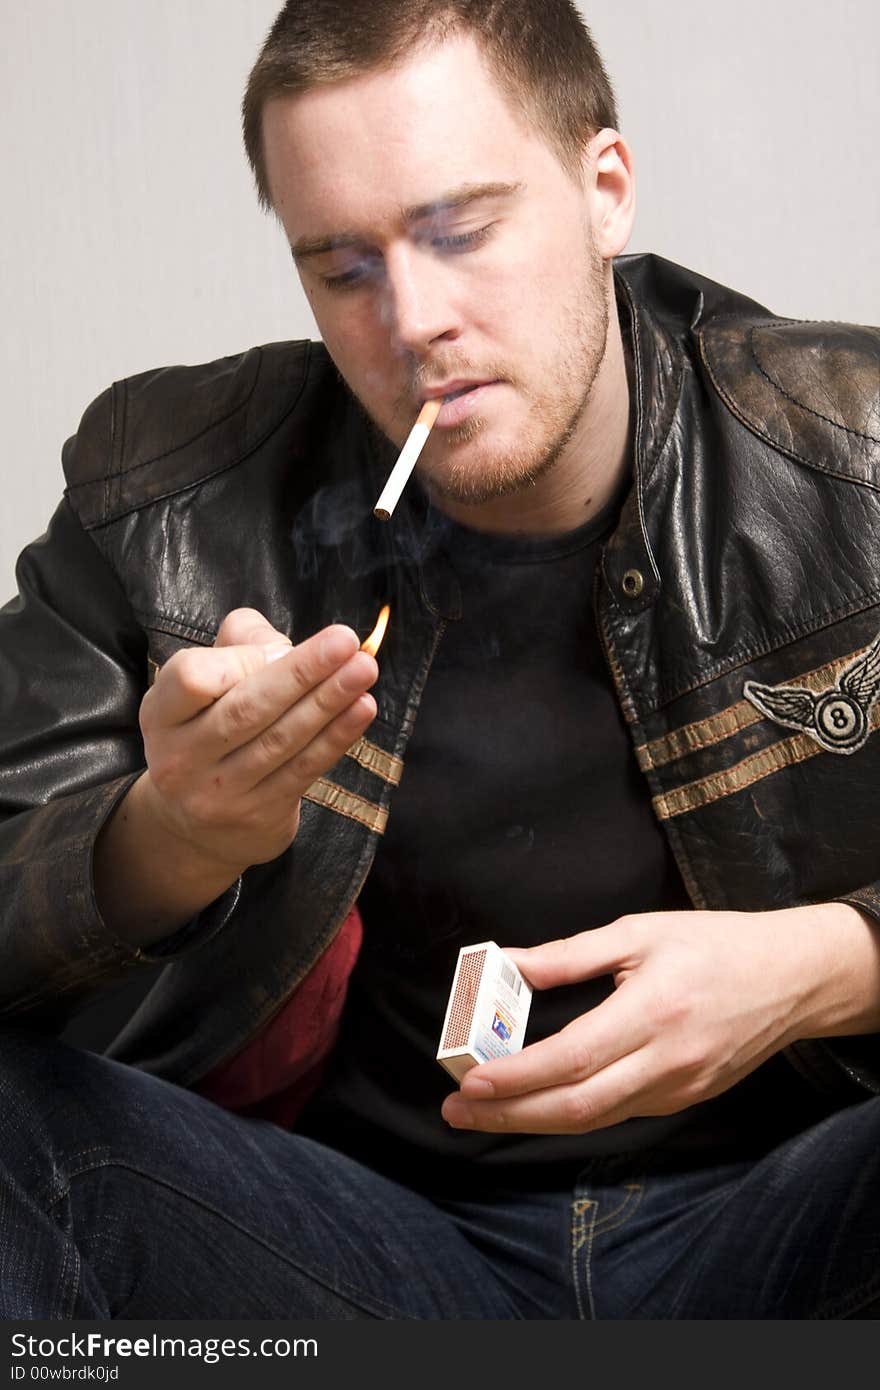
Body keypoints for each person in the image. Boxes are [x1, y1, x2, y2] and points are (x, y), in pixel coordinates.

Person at [1, 0, 878, 1321]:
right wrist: (174, 832)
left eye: (461, 231)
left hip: (791, 1214)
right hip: (362, 1247)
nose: (413, 320)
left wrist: (824, 965)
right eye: (341, 268)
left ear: (605, 190)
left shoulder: (853, 460)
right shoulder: (163, 501)